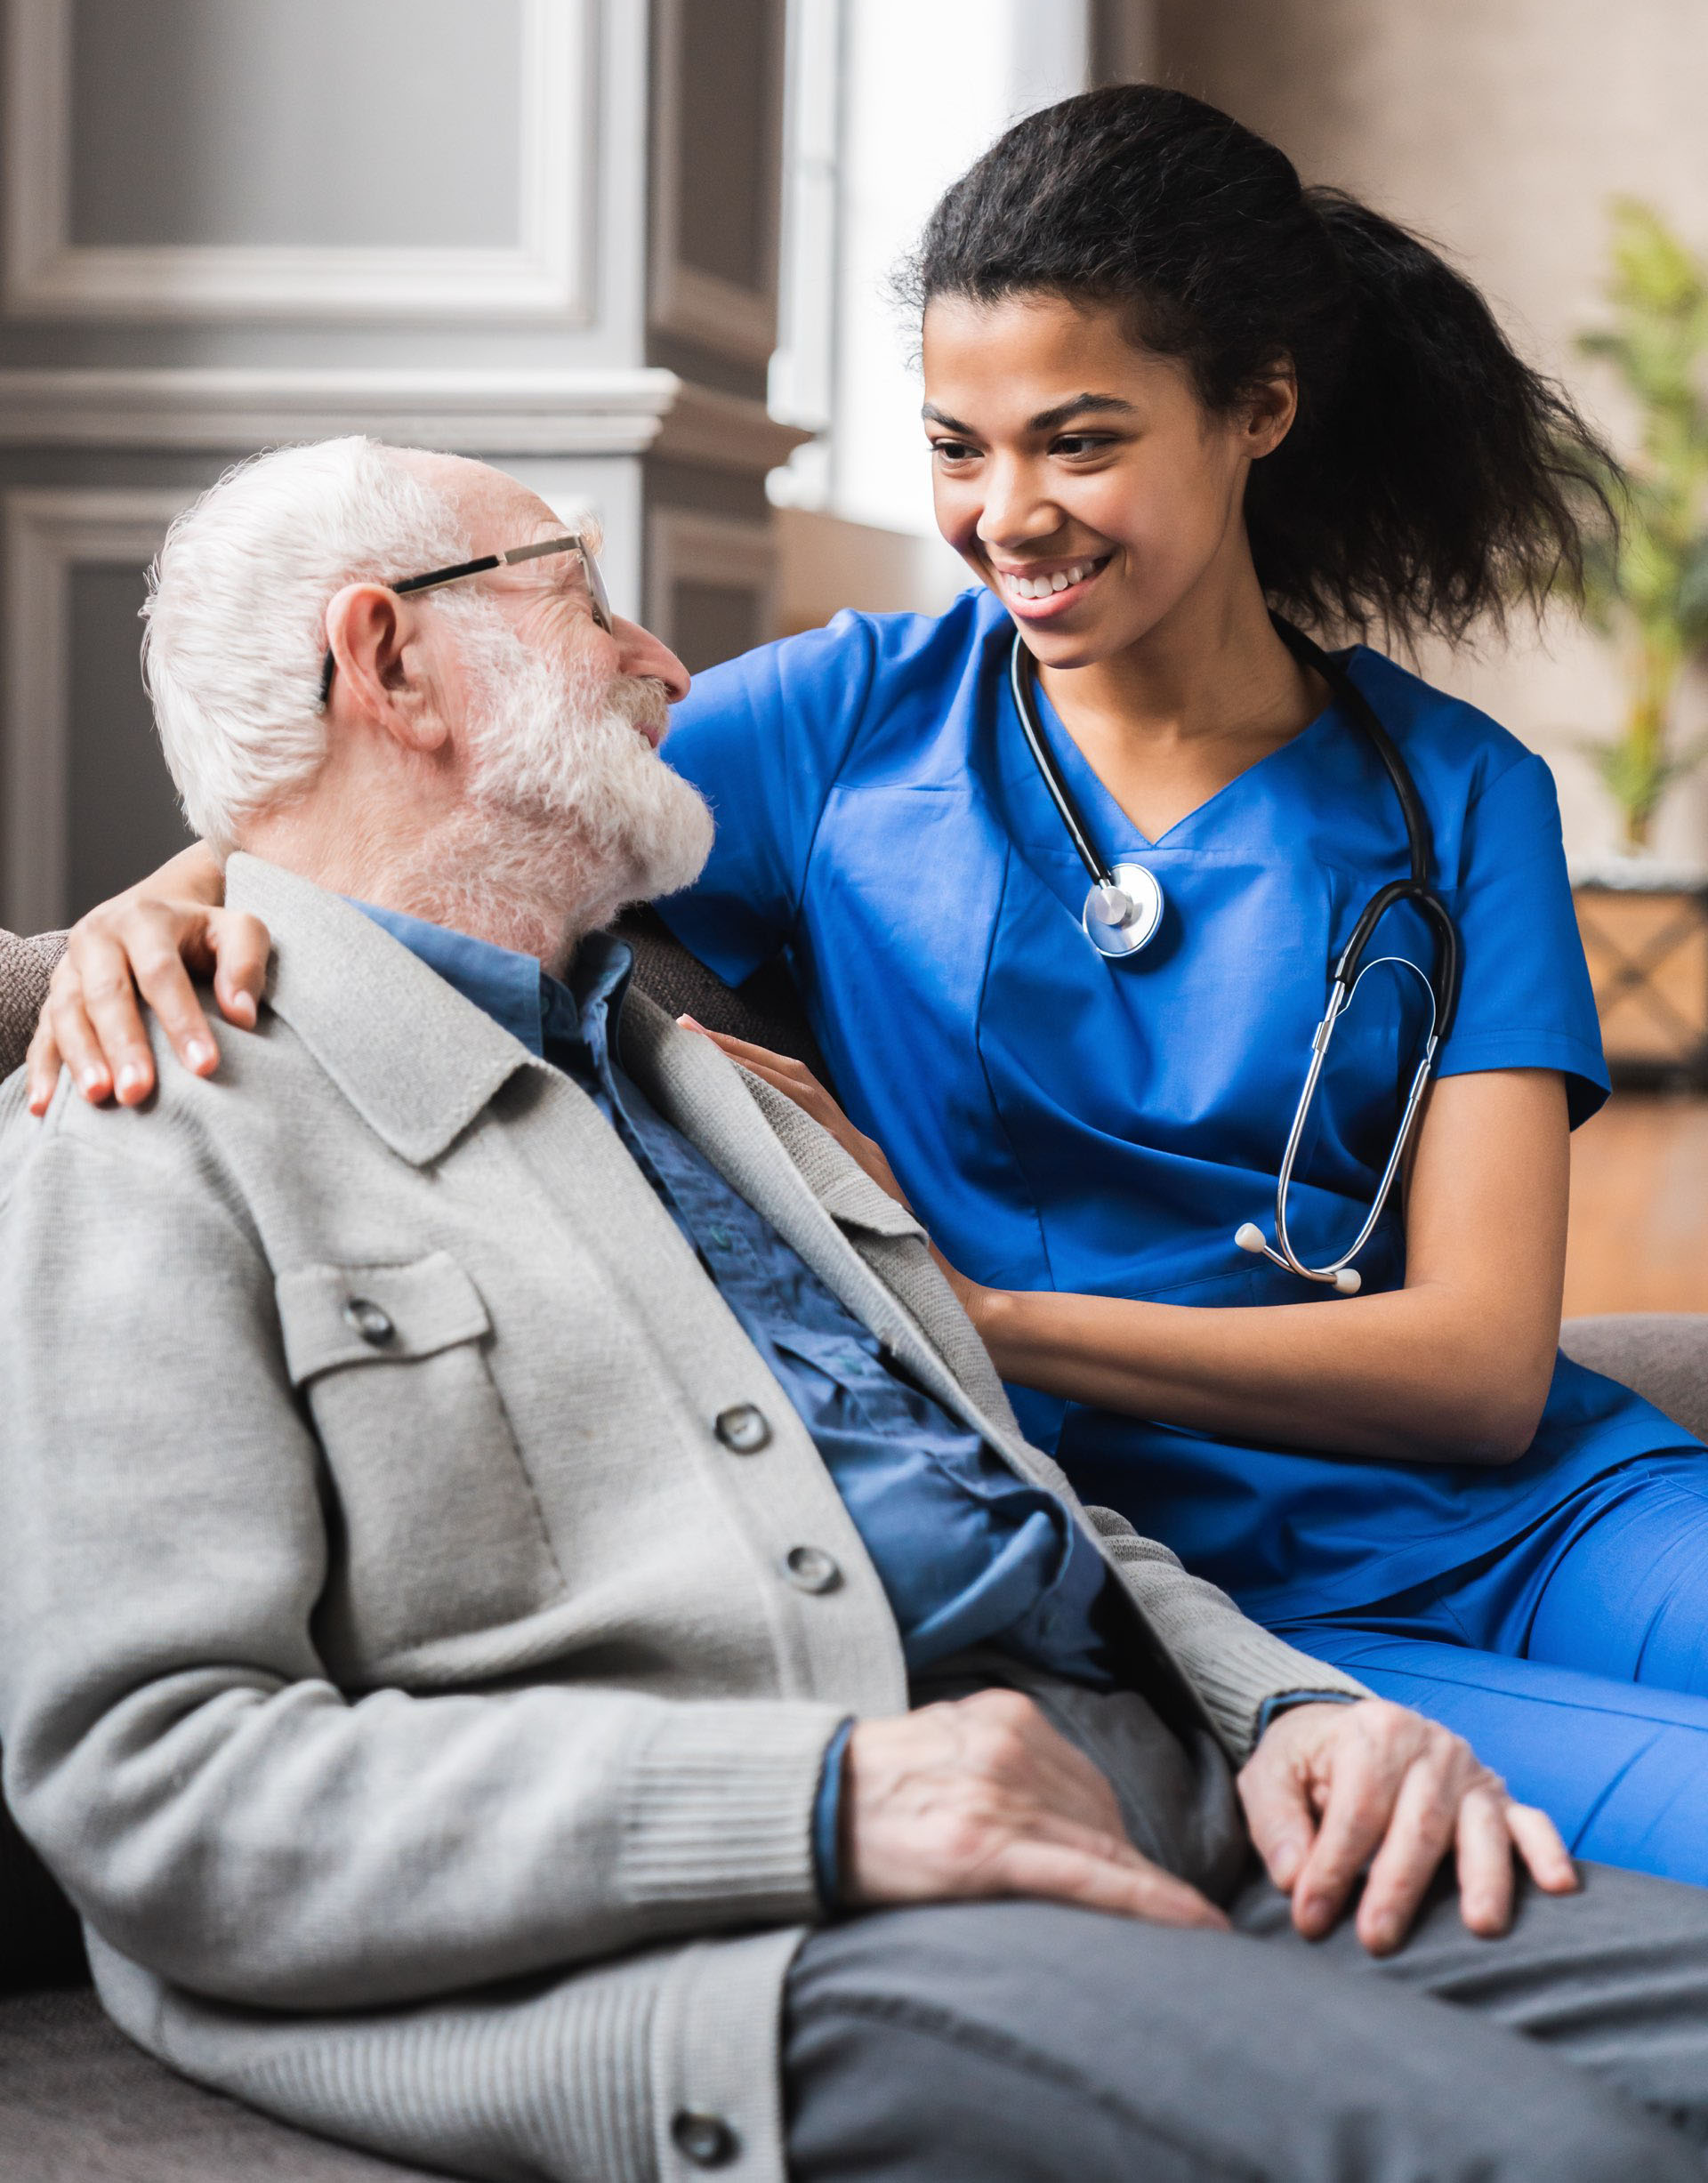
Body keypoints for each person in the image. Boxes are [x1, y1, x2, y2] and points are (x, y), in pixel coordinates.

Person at [27, 87, 1708, 1889]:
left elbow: (1472, 1374)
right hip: (1201, 1594)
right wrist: (157, 903)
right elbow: (425, 821)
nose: (1009, 515)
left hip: (1550, 1513)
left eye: (1078, 442)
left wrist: (964, 1313)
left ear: (1260, 412)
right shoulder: (835, 726)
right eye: (956, 447)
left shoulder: (1460, 793)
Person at [13, 435, 1708, 2183]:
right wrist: (828, 1802)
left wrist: (1291, 1709)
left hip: (1180, 1787)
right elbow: (145, 1780)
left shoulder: (709, 1088)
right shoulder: (147, 1133)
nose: (666, 665)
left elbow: (1022, 1505)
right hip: (785, 1919)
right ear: (389, 661)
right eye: (586, 601)